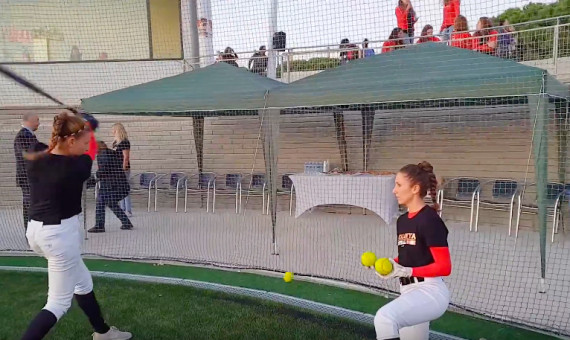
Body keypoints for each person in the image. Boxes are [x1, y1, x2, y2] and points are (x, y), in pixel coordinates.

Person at [22, 112, 131, 340]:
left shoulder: (36, 154)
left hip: (36, 233)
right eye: (81, 143)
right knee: (57, 304)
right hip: (59, 236)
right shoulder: (77, 167)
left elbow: (52, 143)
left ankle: (102, 332)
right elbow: (90, 150)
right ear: (70, 141)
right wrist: (87, 124)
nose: (85, 147)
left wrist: (79, 124)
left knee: (82, 282)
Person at [371, 161, 451, 340]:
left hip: (430, 292)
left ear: (415, 188)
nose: (394, 190)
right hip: (408, 291)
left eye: (399, 185)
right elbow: (409, 255)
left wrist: (409, 271)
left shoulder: (430, 220)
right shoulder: (403, 220)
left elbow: (444, 267)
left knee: (385, 318)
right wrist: (393, 265)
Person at [88, 142, 133, 233]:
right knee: (110, 202)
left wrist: (92, 180)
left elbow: (104, 170)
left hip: (112, 186)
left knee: (101, 201)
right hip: (119, 185)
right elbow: (107, 170)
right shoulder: (111, 153)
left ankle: (99, 226)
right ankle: (126, 223)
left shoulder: (103, 155)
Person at [13, 113, 47, 231]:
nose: (39, 123)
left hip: (32, 177)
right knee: (30, 206)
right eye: (37, 120)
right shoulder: (23, 136)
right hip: (28, 178)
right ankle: (31, 232)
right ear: (30, 121)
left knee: (34, 205)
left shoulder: (29, 136)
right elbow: (29, 155)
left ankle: (34, 231)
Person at [111, 123, 132, 217]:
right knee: (120, 189)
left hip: (124, 169)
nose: (112, 132)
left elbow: (126, 157)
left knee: (125, 189)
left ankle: (128, 210)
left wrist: (123, 168)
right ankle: (122, 208)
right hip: (117, 169)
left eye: (114, 130)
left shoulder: (125, 142)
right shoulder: (116, 143)